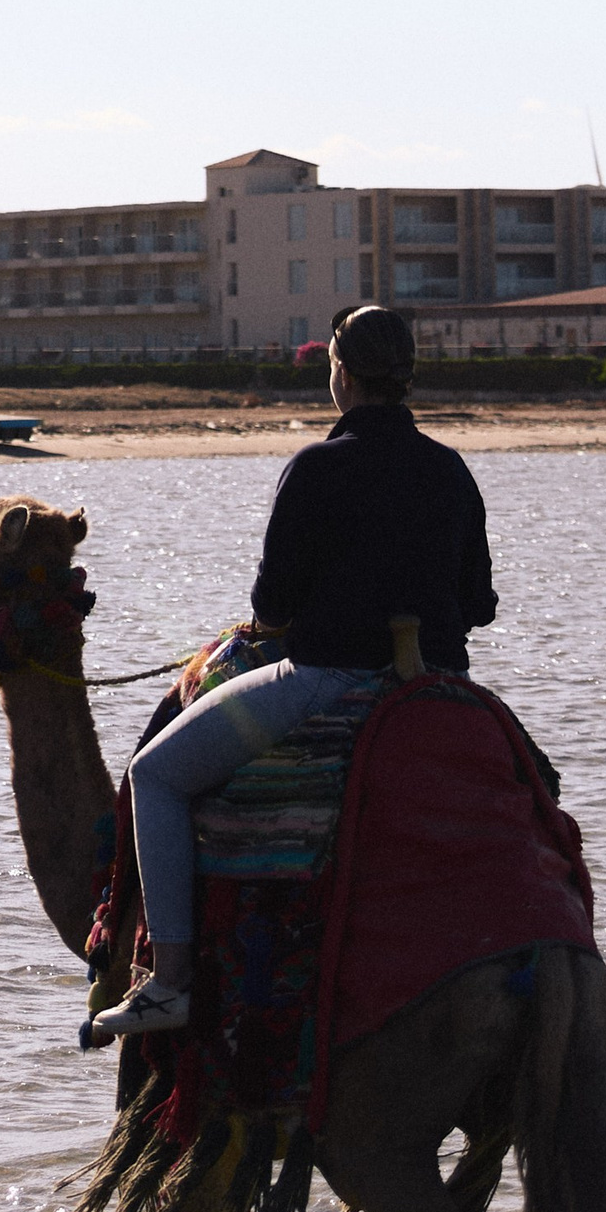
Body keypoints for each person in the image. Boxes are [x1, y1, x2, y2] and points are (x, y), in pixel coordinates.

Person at [92, 301, 498, 1041]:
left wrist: (292, 621)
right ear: (407, 376)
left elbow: (272, 608)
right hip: (440, 691)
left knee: (154, 774)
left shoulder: (315, 467)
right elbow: (480, 605)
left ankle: (172, 981)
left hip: (325, 681)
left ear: (340, 373)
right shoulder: (450, 468)